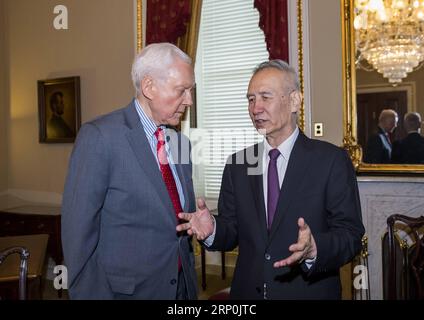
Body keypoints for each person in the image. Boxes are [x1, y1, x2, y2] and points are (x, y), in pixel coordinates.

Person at [176, 60, 365, 299]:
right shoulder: (238, 165)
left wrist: (315, 248)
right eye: (251, 99)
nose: (256, 108)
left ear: (295, 100)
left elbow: (351, 235)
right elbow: (231, 231)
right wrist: (213, 228)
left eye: (266, 97)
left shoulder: (331, 161)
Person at [61, 43, 197, 299]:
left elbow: (174, 221)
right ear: (149, 87)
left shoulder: (181, 144)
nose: (189, 100)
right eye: (182, 90)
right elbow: (77, 235)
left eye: (191, 91)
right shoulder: (100, 137)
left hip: (180, 289)